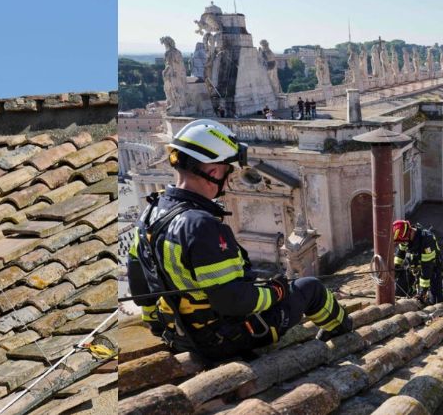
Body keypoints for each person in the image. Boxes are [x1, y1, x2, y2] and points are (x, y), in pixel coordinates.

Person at [126, 119, 353, 361]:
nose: (228, 179)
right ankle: (344, 334)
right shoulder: (201, 225)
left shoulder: (150, 213)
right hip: (226, 339)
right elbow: (233, 301)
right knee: (311, 288)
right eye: (227, 171)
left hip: (179, 335)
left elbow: (138, 282)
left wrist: (158, 325)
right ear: (213, 172)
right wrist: (276, 291)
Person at [392, 220, 443, 304]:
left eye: (403, 241)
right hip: (412, 268)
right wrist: (396, 266)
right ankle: (412, 290)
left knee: (435, 301)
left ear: (410, 232)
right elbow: (400, 252)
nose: (403, 243)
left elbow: (426, 268)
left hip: (431, 270)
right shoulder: (404, 237)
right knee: (398, 293)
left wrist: (423, 290)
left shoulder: (427, 240)